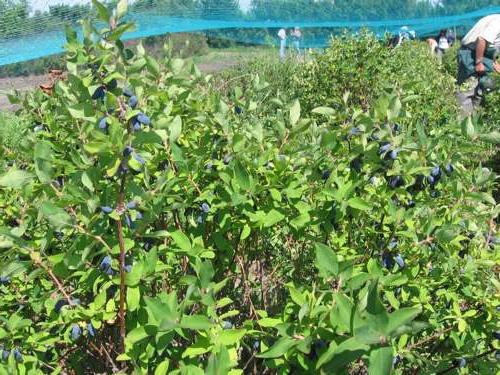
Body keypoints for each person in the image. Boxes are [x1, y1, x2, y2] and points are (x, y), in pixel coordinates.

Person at [457, 14, 500, 105]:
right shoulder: (498, 22)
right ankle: (463, 117)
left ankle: (477, 115)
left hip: (483, 55)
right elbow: (482, 39)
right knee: (467, 91)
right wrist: (479, 62)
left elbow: (493, 45)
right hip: (471, 54)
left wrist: (494, 62)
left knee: (483, 90)